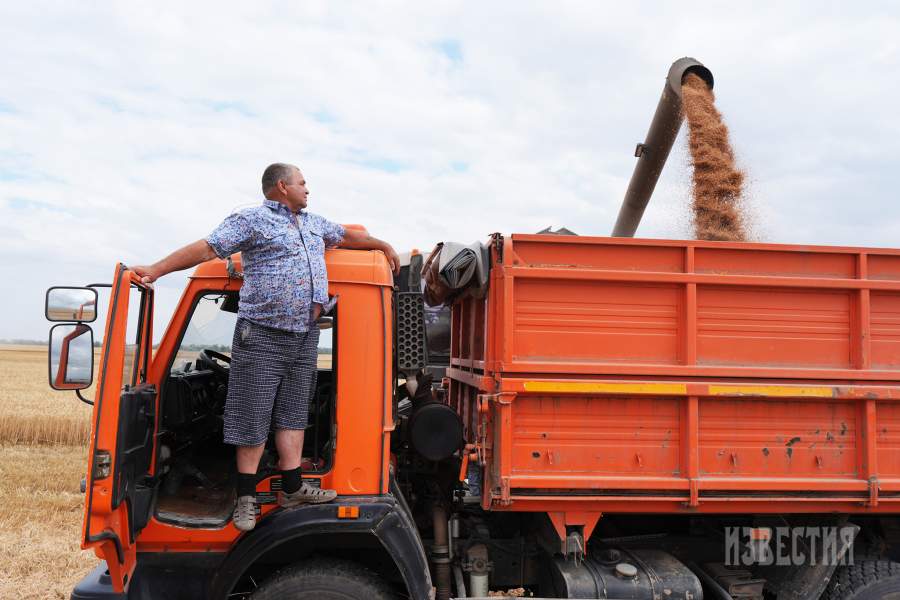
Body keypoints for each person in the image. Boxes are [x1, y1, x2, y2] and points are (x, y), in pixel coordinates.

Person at [133, 163, 399, 531]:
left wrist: (382, 244)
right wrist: (158, 270)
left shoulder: (312, 224)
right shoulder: (251, 221)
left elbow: (347, 236)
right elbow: (207, 247)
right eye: (302, 182)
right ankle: (245, 499)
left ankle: (292, 487)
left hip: (305, 335)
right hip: (263, 334)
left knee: (292, 413)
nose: (308, 189)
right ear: (281, 186)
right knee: (251, 416)